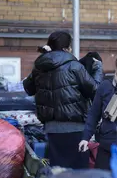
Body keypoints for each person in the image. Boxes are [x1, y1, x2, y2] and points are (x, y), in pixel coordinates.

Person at [23, 31, 103, 169]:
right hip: (76, 127)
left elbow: (28, 89)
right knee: (79, 171)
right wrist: (98, 69)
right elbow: (95, 91)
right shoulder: (74, 66)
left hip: (51, 128)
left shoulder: (40, 66)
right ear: (67, 48)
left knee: (58, 170)